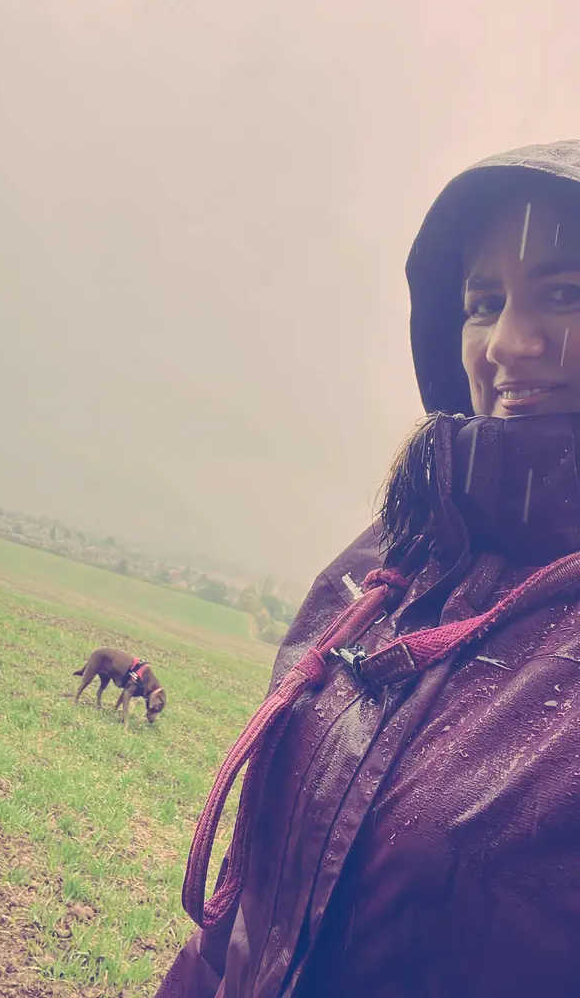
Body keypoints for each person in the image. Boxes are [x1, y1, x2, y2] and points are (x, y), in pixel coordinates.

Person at [155, 139, 580, 998]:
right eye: (483, 303)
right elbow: (239, 922)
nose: (507, 342)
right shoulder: (379, 565)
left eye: (565, 293)